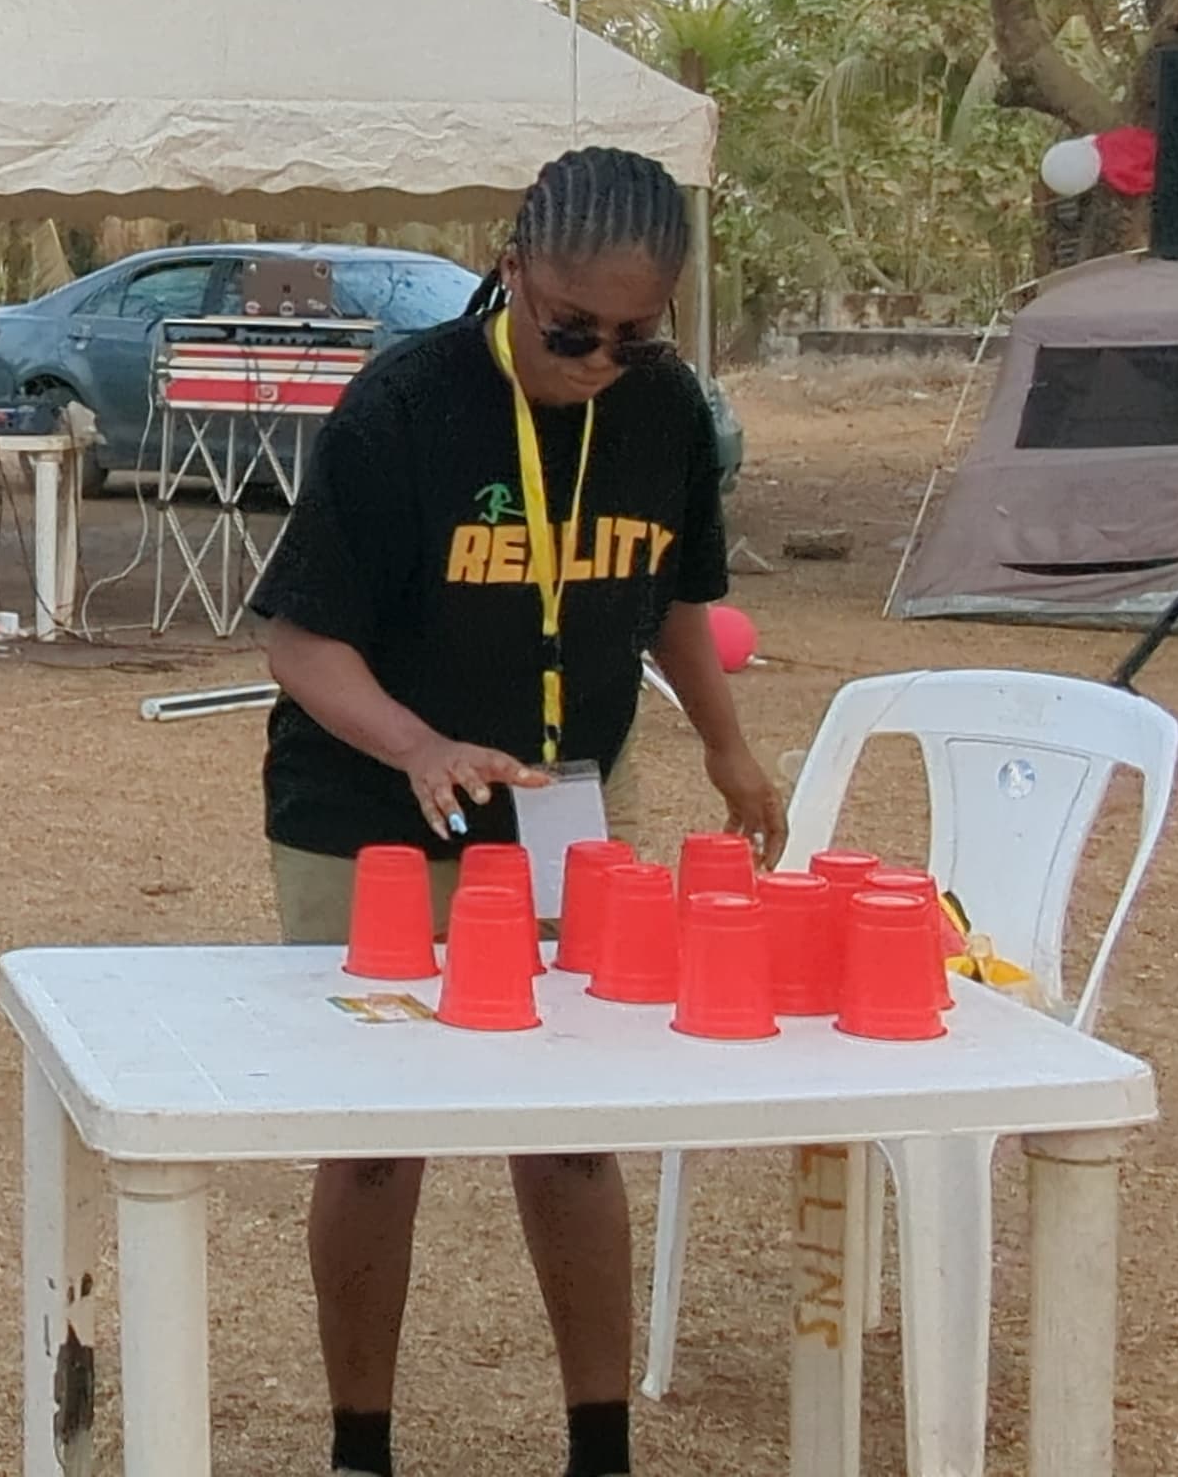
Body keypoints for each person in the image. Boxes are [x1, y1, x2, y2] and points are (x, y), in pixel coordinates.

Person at [247, 147, 781, 1477]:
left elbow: (673, 601)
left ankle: (599, 1447)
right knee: (380, 1141)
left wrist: (730, 754)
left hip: (567, 801)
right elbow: (301, 645)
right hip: (372, 808)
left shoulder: (663, 417)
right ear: (511, 267)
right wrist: (421, 745)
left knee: (572, 1130)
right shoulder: (405, 408)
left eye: (634, 333)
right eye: (572, 328)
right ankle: (359, 1449)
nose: (601, 357)